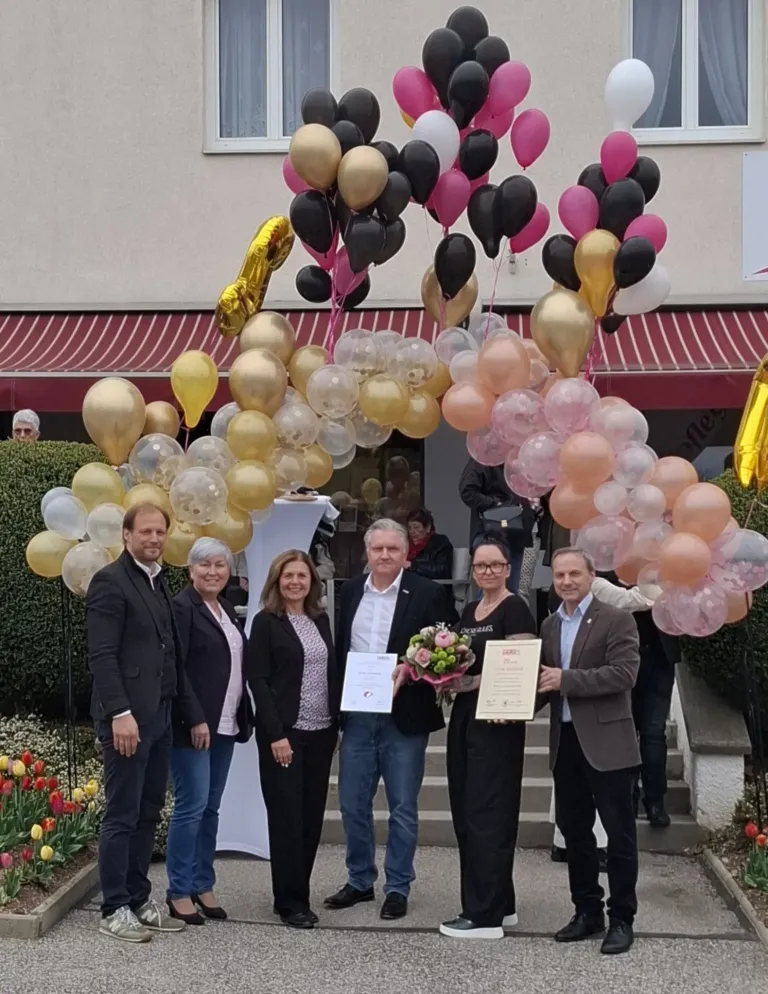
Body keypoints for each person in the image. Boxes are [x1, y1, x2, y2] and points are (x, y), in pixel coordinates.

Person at [87, 503, 207, 943]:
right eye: (146, 532)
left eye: (160, 532)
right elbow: (101, 655)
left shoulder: (158, 582)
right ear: (126, 535)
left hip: (158, 719)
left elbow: (169, 654)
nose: (154, 539)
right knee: (122, 814)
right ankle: (113, 906)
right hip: (126, 720)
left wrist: (188, 713)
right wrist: (120, 713)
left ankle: (138, 898)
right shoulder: (110, 582)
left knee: (148, 812)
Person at [325, 519, 452, 920]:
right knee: (352, 803)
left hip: (405, 714)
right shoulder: (349, 591)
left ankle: (398, 886)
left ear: (405, 553)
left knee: (402, 805)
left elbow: (447, 648)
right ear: (367, 552)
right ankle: (360, 879)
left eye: (392, 550)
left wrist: (412, 669)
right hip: (359, 712)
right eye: (377, 549)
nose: (384, 556)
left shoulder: (429, 593)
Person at [538, 548, 640, 956]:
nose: (566, 582)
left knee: (619, 838)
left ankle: (622, 919)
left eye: (574, 574)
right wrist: (504, 706)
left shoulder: (617, 619)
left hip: (609, 746)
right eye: (560, 575)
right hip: (565, 745)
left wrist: (566, 679)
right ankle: (587, 910)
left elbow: (623, 674)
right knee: (575, 833)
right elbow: (544, 683)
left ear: (591, 575)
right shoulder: (548, 625)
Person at [440, 536, 536, 939]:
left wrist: (471, 682)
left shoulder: (515, 609)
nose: (488, 572)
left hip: (497, 723)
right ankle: (501, 901)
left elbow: (521, 666)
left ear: (507, 568)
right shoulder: (470, 609)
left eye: (495, 565)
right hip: (465, 720)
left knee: (487, 815)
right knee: (467, 811)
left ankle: (483, 917)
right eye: (480, 566)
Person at [248, 550, 340, 929]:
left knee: (310, 820)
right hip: (284, 736)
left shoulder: (321, 620)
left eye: (302, 576)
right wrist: (276, 734)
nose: (295, 582)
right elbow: (259, 682)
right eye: (288, 576)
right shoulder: (266, 622)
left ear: (312, 583)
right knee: (287, 819)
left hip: (320, 734)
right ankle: (291, 903)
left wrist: (336, 724)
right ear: (276, 581)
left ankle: (295, 890)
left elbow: (331, 672)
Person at [166, 538, 251, 925]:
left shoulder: (226, 608)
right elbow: (176, 669)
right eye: (205, 566)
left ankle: (203, 883)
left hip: (226, 724)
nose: (213, 571)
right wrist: (194, 717)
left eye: (220, 565)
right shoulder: (181, 609)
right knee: (191, 807)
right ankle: (179, 889)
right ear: (190, 571)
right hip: (194, 728)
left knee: (211, 809)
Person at [588, 572, 679, 827]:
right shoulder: (604, 570)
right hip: (620, 660)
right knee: (624, 732)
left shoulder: (664, 562)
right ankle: (628, 798)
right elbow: (619, 600)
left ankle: (655, 801)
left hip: (660, 657)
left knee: (653, 732)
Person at [459, 458, 535, 593]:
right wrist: (494, 504)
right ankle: (485, 614)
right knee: (489, 588)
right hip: (490, 532)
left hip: (518, 532)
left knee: (511, 590)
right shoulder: (483, 460)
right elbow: (467, 491)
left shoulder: (522, 458)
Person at [406, 508, 454, 581]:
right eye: (409, 528)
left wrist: (412, 565)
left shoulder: (440, 542)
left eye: (416, 527)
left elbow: (442, 570)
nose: (412, 531)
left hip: (433, 587)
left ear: (428, 527)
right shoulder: (407, 546)